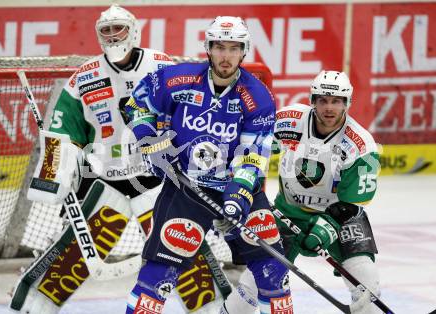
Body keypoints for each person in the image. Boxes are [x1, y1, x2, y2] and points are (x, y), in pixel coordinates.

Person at [124, 16, 293, 314]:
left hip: (237, 189)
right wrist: (148, 138)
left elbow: (253, 155)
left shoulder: (258, 97)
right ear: (208, 48)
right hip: (185, 187)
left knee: (273, 273)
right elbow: (137, 104)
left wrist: (239, 192)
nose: (226, 56)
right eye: (219, 47)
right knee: (158, 275)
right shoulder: (178, 79)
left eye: (233, 48)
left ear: (244, 51)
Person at [9, 4, 173, 313]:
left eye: (119, 28)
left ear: (134, 30)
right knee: (74, 257)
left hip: (155, 179)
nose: (113, 36)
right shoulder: (84, 77)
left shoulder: (161, 66)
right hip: (104, 181)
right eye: (106, 30)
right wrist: (53, 173)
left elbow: (185, 115)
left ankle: (213, 306)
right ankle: (35, 306)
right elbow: (61, 130)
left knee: (179, 247)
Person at [229, 70, 382, 313]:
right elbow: (254, 147)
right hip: (286, 213)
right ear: (312, 100)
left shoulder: (361, 144)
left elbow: (354, 202)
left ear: (347, 103)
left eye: (336, 101)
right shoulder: (289, 120)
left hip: (340, 217)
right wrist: (245, 181)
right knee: (254, 283)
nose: (329, 107)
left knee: (366, 286)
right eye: (322, 100)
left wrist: (328, 225)